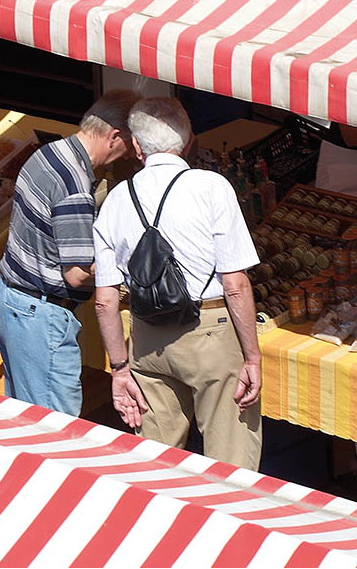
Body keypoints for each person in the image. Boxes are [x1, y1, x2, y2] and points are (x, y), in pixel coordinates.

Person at [92, 98, 262, 469]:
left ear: (136, 146)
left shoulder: (116, 199)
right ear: (189, 141)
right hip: (209, 335)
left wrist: (119, 369)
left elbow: (105, 301)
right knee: (230, 464)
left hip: (147, 339)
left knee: (156, 465)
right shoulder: (211, 187)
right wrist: (252, 356)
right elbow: (236, 283)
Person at [0, 89, 138, 415]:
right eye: (130, 143)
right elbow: (76, 273)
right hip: (38, 316)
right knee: (54, 429)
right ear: (114, 136)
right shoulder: (75, 184)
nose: (130, 155)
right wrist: (126, 262)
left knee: (23, 418)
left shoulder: (49, 153)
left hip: (10, 300)